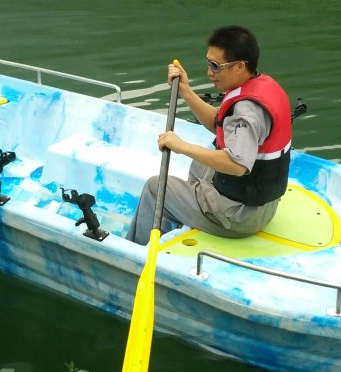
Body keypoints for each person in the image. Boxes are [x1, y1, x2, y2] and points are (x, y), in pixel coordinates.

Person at [125, 25, 292, 246]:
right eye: (208, 63)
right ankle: (186, 215)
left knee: (155, 188)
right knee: (200, 163)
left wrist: (182, 146)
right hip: (260, 205)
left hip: (241, 217)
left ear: (239, 67)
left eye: (216, 66)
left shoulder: (247, 111)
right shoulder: (259, 86)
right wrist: (185, 90)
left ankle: (135, 251)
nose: (209, 73)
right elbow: (218, 122)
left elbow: (236, 165)